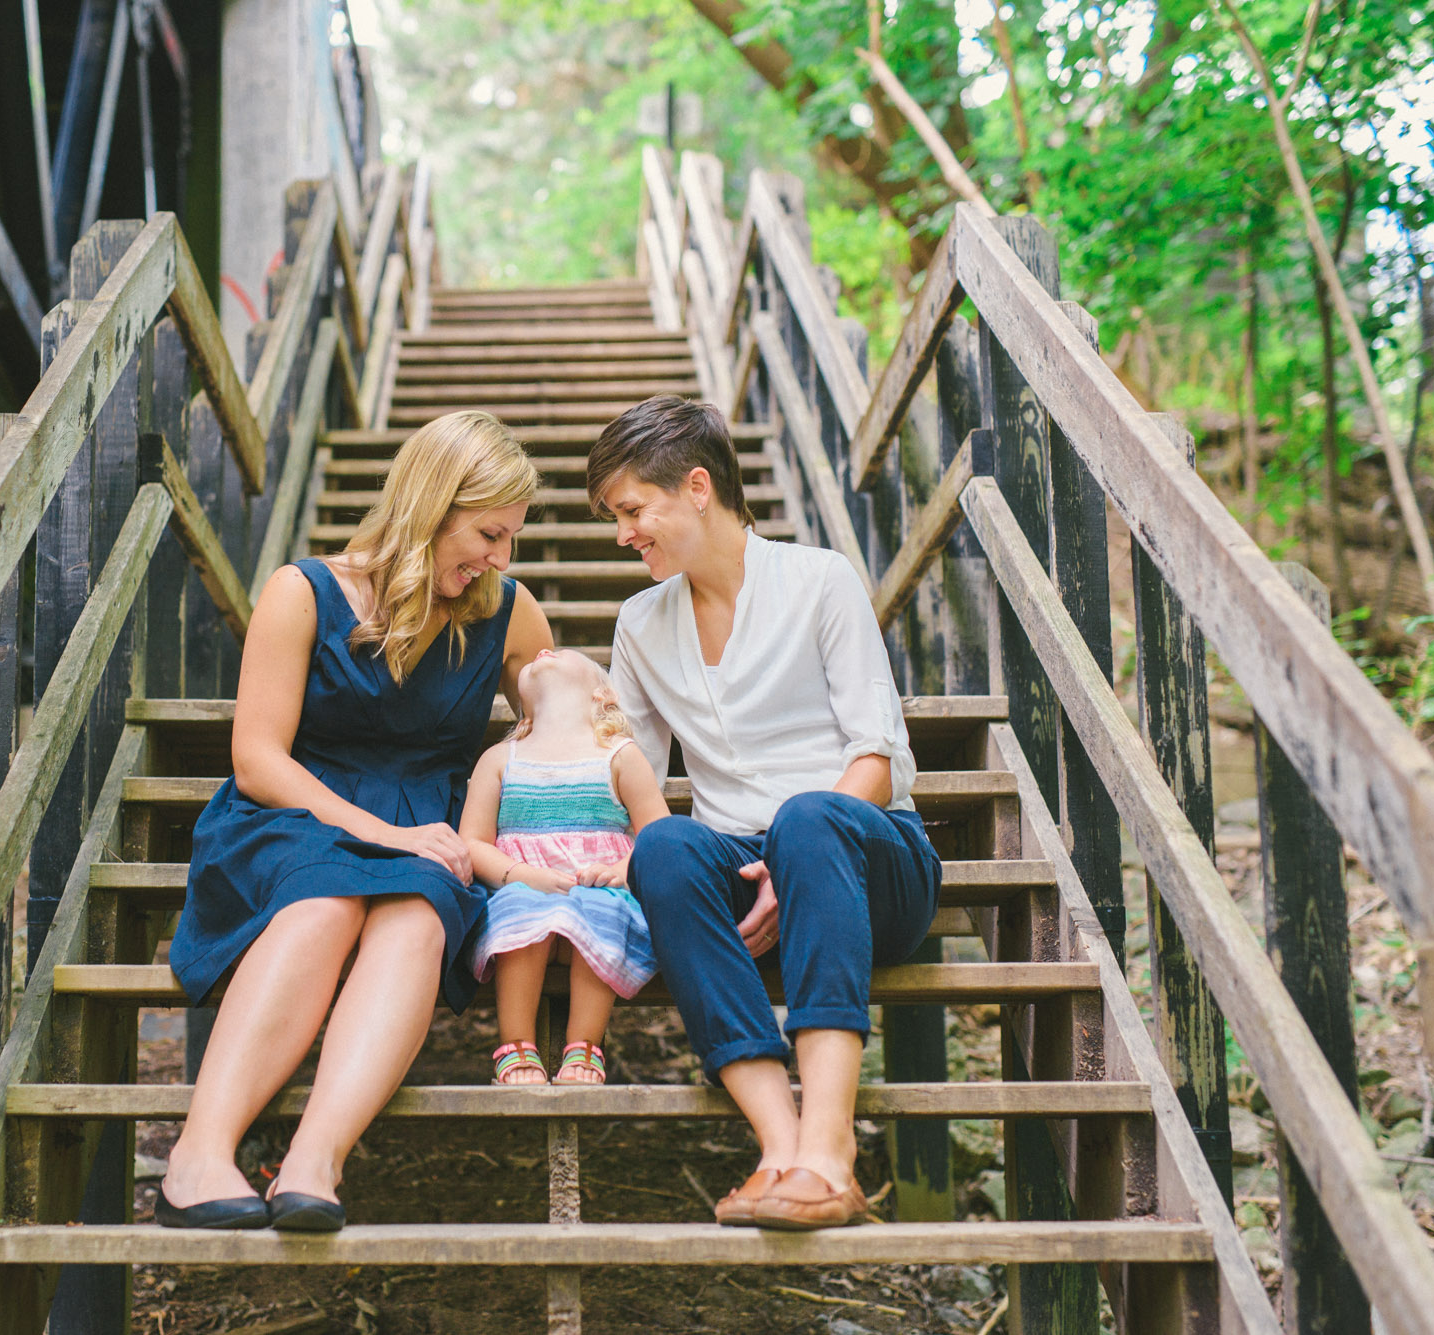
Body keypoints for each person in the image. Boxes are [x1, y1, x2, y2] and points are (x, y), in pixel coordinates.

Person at [159, 410, 553, 1232]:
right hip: (294, 814)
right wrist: (381, 832)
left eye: (510, 539)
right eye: (488, 532)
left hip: (428, 831)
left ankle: (314, 1160)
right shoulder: (301, 592)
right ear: (432, 502)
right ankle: (199, 1153)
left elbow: (559, 737)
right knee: (324, 904)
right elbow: (258, 760)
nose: (498, 557)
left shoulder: (508, 612)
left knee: (416, 917)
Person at [588, 393, 942, 1231]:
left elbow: (879, 758)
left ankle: (831, 1153)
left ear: (699, 488)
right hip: (741, 866)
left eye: (633, 509)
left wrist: (794, 856)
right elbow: (632, 770)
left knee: (808, 818)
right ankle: (781, 1148)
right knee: (668, 845)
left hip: (863, 851)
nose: (621, 534)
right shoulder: (640, 622)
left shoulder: (819, 580)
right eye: (613, 516)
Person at [462, 648, 671, 1086]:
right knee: (519, 902)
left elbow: (660, 836)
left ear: (603, 692)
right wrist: (521, 875)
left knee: (603, 905)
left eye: (560, 652)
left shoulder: (619, 755)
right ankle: (516, 1046)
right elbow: (472, 843)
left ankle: (584, 1046)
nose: (543, 650)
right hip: (522, 903)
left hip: (595, 903)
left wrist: (621, 867)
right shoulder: (501, 760)